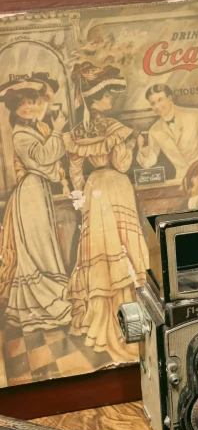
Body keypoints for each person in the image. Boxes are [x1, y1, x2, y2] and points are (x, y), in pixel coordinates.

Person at [65, 62, 148, 362]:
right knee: (123, 245)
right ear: (94, 98)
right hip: (115, 186)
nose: (111, 101)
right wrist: (133, 145)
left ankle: (101, 312)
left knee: (100, 248)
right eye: (107, 95)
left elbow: (75, 171)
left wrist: (79, 198)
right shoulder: (114, 128)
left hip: (93, 190)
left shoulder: (77, 132)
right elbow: (124, 165)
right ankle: (126, 311)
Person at [0, 74, 71, 331]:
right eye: (23, 105)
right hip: (29, 193)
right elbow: (42, 158)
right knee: (38, 246)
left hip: (37, 190)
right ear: (15, 110)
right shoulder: (20, 134)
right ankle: (43, 303)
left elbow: (48, 161)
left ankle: (48, 298)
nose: (29, 108)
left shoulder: (32, 127)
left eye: (32, 102)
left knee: (44, 243)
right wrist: (59, 131)